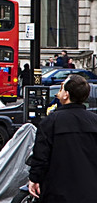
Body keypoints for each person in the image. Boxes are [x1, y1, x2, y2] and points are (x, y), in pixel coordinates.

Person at [29, 74, 97, 202]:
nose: (57, 94)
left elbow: (41, 156)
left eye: (61, 89)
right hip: (90, 191)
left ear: (66, 95)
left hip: (58, 191)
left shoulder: (51, 122)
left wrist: (34, 178)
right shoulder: (94, 121)